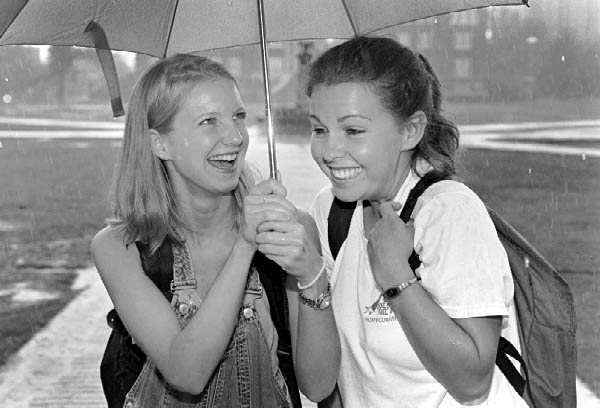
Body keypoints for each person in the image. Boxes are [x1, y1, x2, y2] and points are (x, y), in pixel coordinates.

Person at [255, 36, 528, 407]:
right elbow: (318, 386)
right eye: (319, 129)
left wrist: (397, 278)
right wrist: (310, 274)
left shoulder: (449, 213)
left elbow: (473, 382)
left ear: (410, 130)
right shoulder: (331, 211)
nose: (329, 151)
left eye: (352, 130)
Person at [90, 53, 301, 407]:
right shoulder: (119, 248)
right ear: (161, 144)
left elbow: (321, 385)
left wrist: (312, 277)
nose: (235, 137)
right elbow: (186, 372)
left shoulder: (284, 234)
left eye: (238, 117)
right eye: (209, 122)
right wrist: (244, 247)